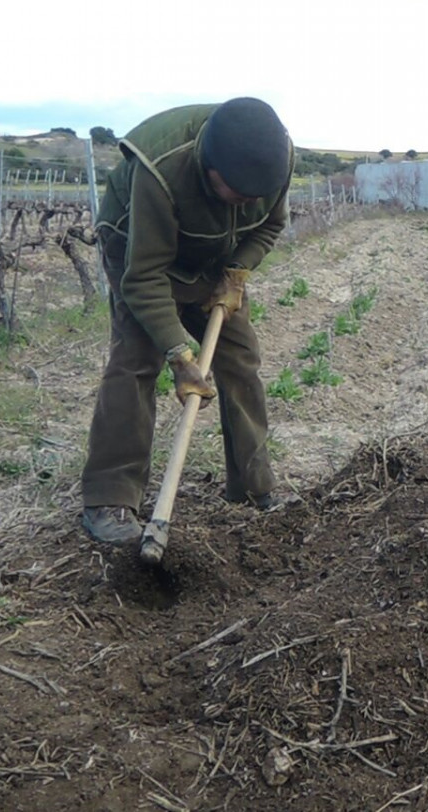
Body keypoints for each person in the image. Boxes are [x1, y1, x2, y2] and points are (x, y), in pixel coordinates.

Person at [81, 97, 298, 546]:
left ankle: (254, 484)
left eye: (252, 196)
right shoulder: (162, 172)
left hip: (215, 258)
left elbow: (269, 226)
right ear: (208, 165)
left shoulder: (272, 165)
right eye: (234, 192)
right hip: (137, 251)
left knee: (240, 357)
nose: (246, 201)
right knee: (136, 360)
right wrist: (179, 355)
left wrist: (238, 271)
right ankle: (110, 496)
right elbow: (142, 278)